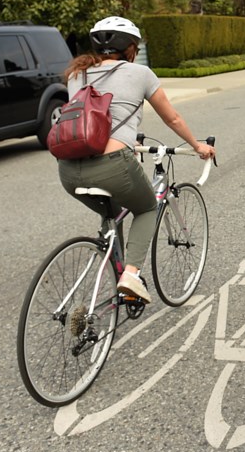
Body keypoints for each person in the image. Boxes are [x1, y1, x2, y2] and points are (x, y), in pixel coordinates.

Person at [56, 16, 215, 304]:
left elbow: (93, 119)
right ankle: (130, 275)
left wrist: (133, 139)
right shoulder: (141, 74)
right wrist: (198, 146)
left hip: (68, 171)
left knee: (112, 213)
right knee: (146, 208)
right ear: (130, 48)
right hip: (113, 165)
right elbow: (173, 118)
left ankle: (114, 266)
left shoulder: (76, 74)